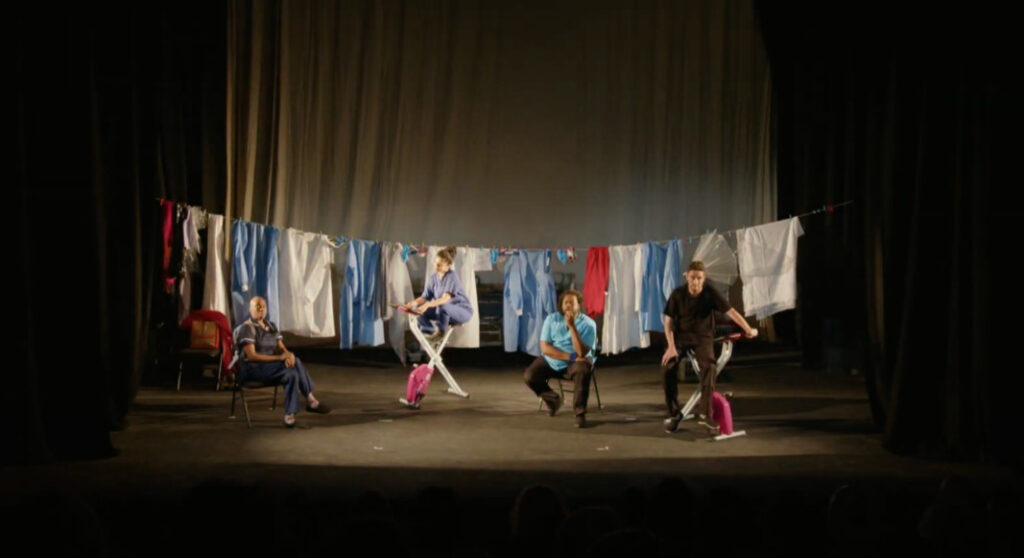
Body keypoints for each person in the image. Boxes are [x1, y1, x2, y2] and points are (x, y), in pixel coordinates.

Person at [661, 261, 757, 434]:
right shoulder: (677, 294)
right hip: (681, 337)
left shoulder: (710, 293)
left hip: (703, 338)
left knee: (710, 368)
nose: (695, 282)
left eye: (699, 278)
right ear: (687, 276)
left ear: (704, 279)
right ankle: (674, 412)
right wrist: (671, 346)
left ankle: (705, 414)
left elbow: (732, 312)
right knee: (668, 368)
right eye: (692, 278)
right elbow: (668, 321)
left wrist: (748, 329)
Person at [235, 296, 329, 427]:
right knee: (291, 368)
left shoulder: (270, 326)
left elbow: (281, 347)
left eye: (263, 307)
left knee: (292, 369)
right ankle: (309, 399)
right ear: (250, 310)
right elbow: (251, 356)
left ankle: (290, 414)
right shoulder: (248, 328)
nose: (261, 309)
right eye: (257, 307)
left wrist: (288, 355)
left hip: (271, 367)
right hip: (254, 369)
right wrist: (279, 358)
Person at [523, 289, 598, 428]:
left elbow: (581, 353)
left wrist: (572, 326)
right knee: (530, 375)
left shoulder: (589, 324)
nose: (568, 306)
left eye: (572, 303)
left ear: (579, 305)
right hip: (557, 359)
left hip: (577, 363)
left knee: (582, 370)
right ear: (561, 305)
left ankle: (579, 413)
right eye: (565, 303)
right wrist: (570, 356)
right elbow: (545, 348)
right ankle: (553, 400)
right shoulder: (552, 319)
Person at [403, 247, 474, 341]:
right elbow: (424, 297)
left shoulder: (452, 277)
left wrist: (428, 305)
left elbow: (444, 299)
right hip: (442, 312)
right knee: (417, 310)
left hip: (461, 311)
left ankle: (440, 334)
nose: (437, 267)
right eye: (436, 264)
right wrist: (412, 304)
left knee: (443, 306)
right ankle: (429, 331)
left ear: (448, 265)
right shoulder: (433, 278)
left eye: (440, 265)